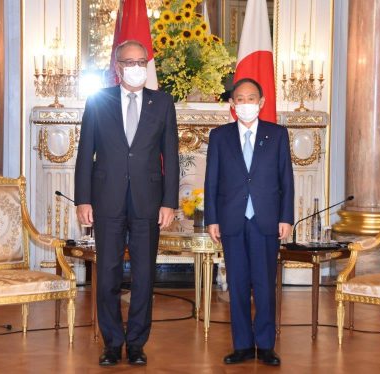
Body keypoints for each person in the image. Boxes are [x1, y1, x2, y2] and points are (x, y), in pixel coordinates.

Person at [74, 40, 179, 366]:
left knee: (145, 276)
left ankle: (136, 343)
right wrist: (83, 199)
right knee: (107, 274)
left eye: (141, 61)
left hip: (149, 202)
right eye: (128, 62)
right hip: (106, 200)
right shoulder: (98, 101)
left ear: (147, 64)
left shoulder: (162, 102)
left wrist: (169, 202)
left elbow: (171, 156)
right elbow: (85, 153)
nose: (135, 67)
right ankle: (111, 343)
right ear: (117, 67)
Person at [204, 78, 294, 366]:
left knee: (265, 285)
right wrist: (212, 219)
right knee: (238, 284)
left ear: (262, 102)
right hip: (232, 221)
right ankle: (242, 345)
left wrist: (286, 217)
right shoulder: (219, 137)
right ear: (232, 104)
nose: (245, 104)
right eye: (239, 99)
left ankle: (266, 345)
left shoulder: (277, 135)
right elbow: (211, 182)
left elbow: (286, 181)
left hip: (266, 221)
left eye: (251, 98)